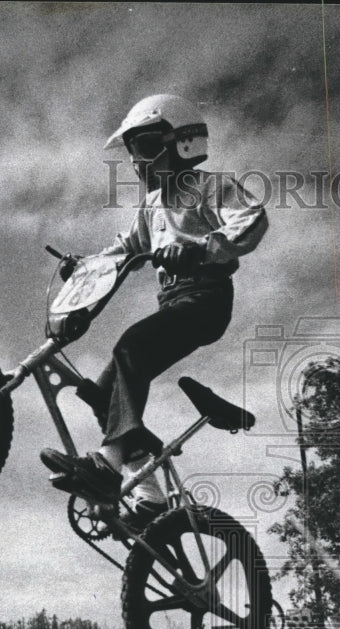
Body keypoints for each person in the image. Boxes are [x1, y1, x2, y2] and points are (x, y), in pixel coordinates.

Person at [40, 94, 268, 521]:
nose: (137, 163)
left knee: (133, 346)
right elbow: (127, 249)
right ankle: (150, 495)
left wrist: (202, 248)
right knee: (103, 393)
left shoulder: (211, 187)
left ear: (183, 143)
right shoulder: (151, 206)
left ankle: (107, 466)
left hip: (206, 298)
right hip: (174, 302)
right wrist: (86, 265)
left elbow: (251, 218)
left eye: (145, 148)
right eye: (131, 155)